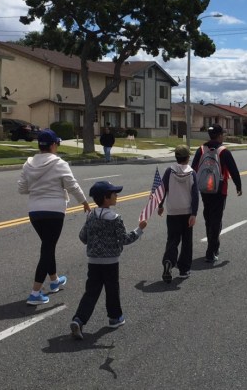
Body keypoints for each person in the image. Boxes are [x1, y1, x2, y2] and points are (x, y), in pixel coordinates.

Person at [19, 129, 91, 306]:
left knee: (47, 246)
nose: (57, 147)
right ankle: (35, 292)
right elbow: (72, 185)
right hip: (54, 211)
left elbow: (22, 188)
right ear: (52, 145)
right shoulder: (59, 164)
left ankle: (54, 280)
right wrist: (84, 201)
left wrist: (38, 188)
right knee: (48, 248)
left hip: (35, 211)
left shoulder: (28, 164)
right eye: (57, 144)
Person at [70, 181, 146, 339]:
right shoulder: (115, 218)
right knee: (112, 290)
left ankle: (79, 319)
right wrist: (139, 230)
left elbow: (82, 237)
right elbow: (125, 239)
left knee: (91, 292)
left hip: (93, 262)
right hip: (110, 262)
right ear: (106, 198)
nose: (116, 196)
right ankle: (115, 317)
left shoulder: (91, 216)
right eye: (114, 194)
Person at [191, 124, 242, 263]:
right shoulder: (223, 151)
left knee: (208, 217)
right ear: (220, 135)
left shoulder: (201, 149)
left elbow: (193, 169)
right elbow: (233, 170)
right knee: (216, 219)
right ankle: (211, 250)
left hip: (204, 189)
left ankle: (213, 246)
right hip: (220, 189)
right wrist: (238, 186)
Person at [158, 144, 199, 283]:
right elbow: (195, 195)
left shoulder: (169, 171)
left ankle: (169, 261)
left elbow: (162, 189)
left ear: (176, 157)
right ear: (188, 158)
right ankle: (184, 269)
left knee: (173, 240)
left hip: (173, 212)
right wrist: (194, 213)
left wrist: (160, 205)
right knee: (187, 242)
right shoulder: (192, 172)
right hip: (187, 212)